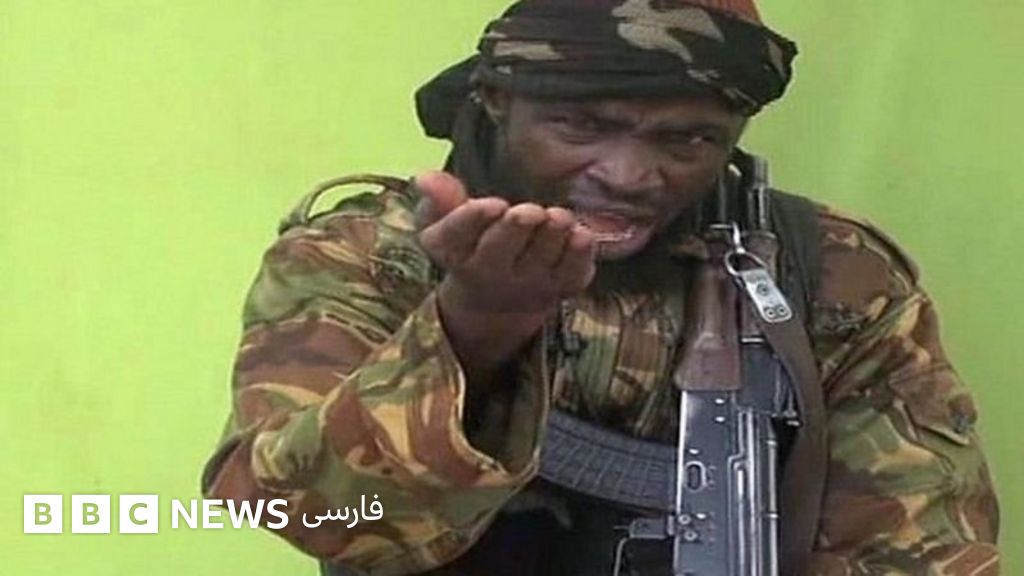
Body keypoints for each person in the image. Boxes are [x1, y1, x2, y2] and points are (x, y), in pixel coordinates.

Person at [201, 1, 1000, 574]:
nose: (629, 175)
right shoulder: (369, 254)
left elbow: (922, 546)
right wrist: (474, 328)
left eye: (687, 140)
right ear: (496, 100)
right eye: (583, 126)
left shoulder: (828, 275)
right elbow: (312, 513)